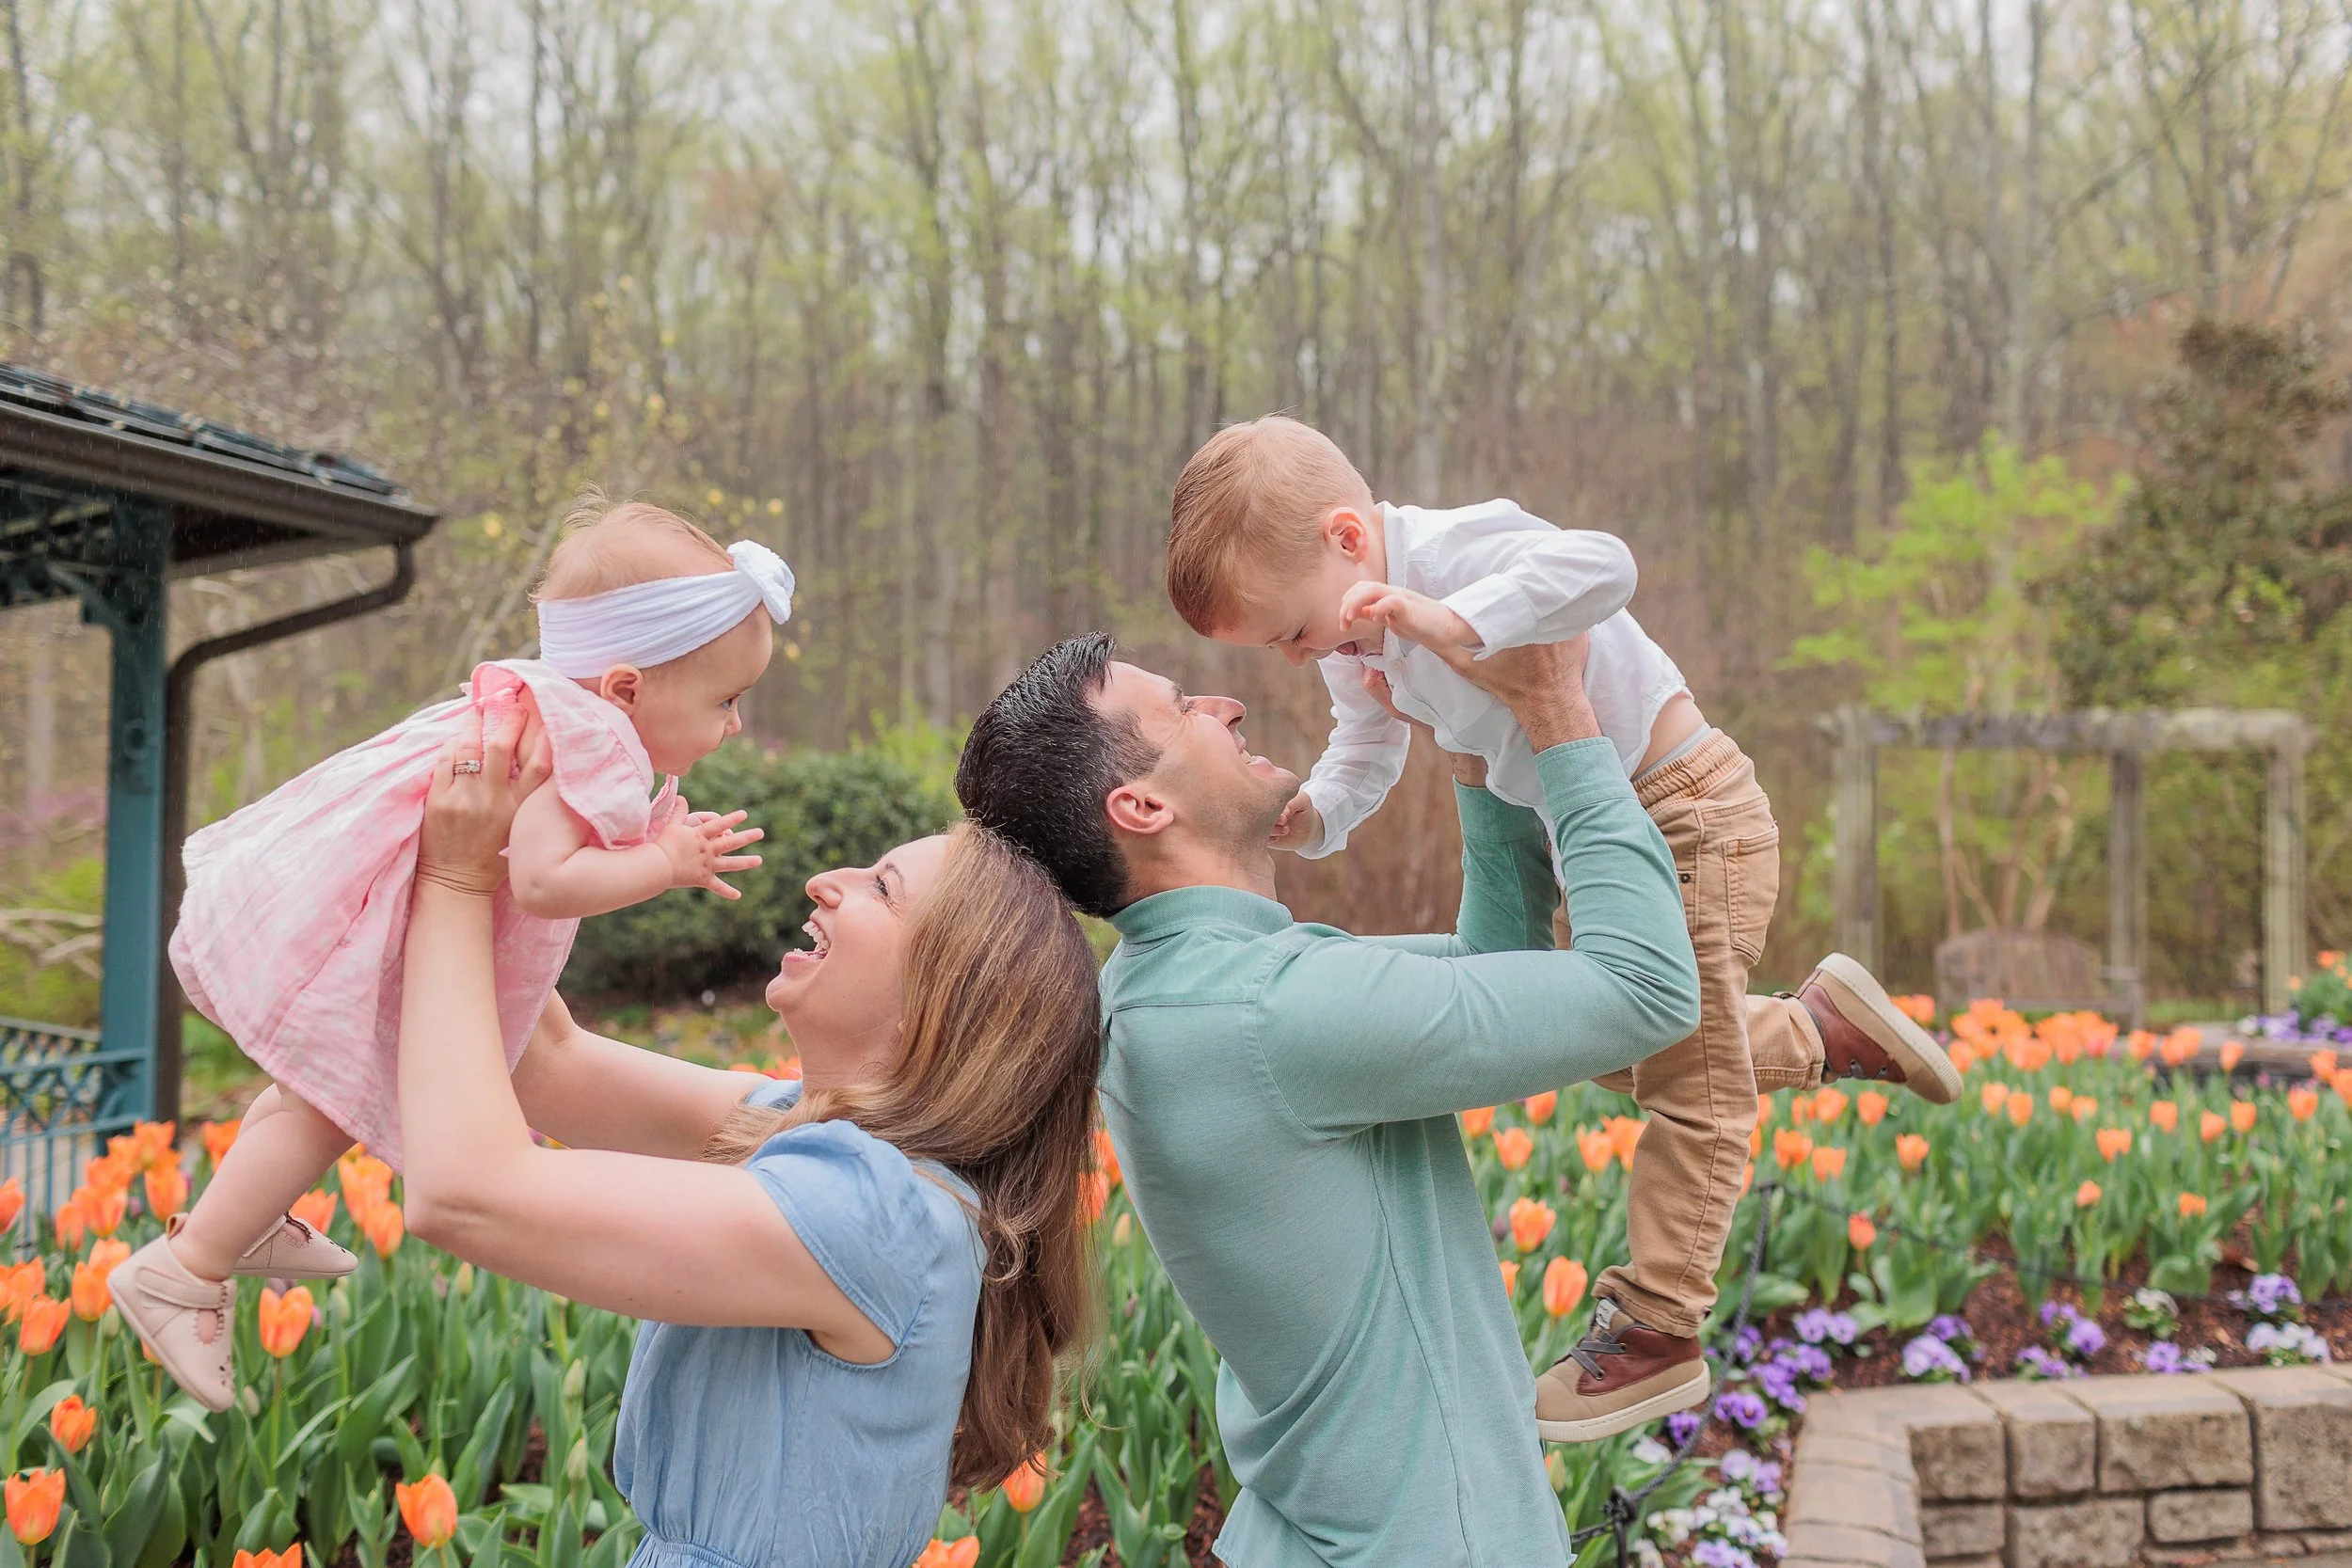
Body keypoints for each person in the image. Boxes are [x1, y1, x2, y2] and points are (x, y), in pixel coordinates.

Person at [1162, 415, 1960, 1440]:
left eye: (1291, 631)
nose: (1301, 653)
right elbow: (1362, 743)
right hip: (1574, 823)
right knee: (1574, 1026)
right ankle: (1816, 1032)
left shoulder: (1455, 551)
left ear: (1348, 538)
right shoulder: (1351, 628)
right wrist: (1316, 814)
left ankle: (1658, 1324)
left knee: (1687, 1084)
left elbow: (1603, 566)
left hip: (1685, 811)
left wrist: (1455, 620)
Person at [956, 628, 1691, 1568]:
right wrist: (1555, 713)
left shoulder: (1199, 987)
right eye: (1183, 706)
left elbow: (1497, 966)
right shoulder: (1259, 1009)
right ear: (1140, 805)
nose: (1225, 704)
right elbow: (1646, 991)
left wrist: (1467, 734)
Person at [119, 498, 789, 1411]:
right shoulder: (584, 740)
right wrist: (659, 865)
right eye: (725, 699)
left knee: (320, 1088)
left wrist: (660, 833)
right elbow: (546, 880)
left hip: (396, 905)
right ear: (627, 688)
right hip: (424, 913)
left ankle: (231, 1221)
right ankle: (185, 1269)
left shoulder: (557, 708)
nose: (737, 723)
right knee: (330, 1101)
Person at [400, 704, 1099, 1568]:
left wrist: (456, 881)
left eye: (882, 886)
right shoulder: (812, 1131)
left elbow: (464, 1192)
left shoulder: (875, 1213)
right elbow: (546, 1061)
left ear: (948, 1000)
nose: (825, 881)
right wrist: (525, 838)